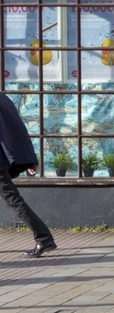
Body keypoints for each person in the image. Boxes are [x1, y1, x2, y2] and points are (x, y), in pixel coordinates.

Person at [0, 93, 56, 257]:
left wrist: (29, 158)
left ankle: (44, 237)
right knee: (14, 200)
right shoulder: (3, 99)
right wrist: (29, 158)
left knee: (14, 201)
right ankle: (44, 237)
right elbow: (17, 128)